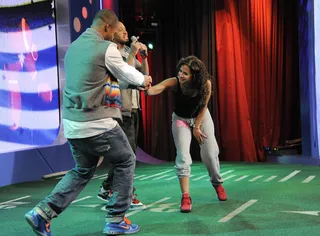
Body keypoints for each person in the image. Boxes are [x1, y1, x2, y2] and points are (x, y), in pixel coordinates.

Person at [24, 9, 152, 236]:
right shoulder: (106, 48)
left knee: (83, 169)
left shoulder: (74, 48)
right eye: (114, 31)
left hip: (73, 125)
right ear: (106, 27)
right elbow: (126, 73)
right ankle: (116, 218)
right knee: (125, 160)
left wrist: (134, 83)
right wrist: (143, 79)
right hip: (97, 122)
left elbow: (98, 82)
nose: (115, 35)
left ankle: (42, 213)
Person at [145, 55, 227, 213]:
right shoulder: (175, 82)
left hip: (201, 118)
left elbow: (203, 106)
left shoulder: (205, 84)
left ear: (194, 76)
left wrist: (197, 127)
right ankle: (185, 196)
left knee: (210, 154)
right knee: (183, 156)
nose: (180, 75)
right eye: (180, 71)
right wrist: (146, 87)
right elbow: (156, 89)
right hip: (180, 119)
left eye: (185, 73)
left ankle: (217, 183)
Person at [97, 22, 149, 210]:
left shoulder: (128, 51)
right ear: (111, 32)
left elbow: (144, 77)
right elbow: (123, 77)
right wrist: (133, 54)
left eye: (127, 29)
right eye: (121, 30)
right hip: (119, 110)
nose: (126, 32)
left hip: (133, 109)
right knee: (127, 156)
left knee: (127, 154)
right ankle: (125, 193)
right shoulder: (111, 53)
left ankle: (107, 187)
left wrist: (143, 57)